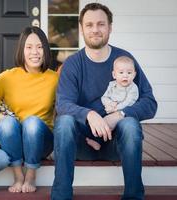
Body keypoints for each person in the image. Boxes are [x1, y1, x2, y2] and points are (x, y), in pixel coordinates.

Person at [51, 3, 157, 200]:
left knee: (131, 124)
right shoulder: (73, 64)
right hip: (81, 144)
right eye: (89, 25)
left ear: (110, 28)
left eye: (101, 24)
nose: (95, 30)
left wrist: (118, 115)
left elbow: (150, 102)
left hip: (116, 144)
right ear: (82, 29)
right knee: (64, 122)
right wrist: (90, 115)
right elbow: (63, 104)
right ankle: (61, 196)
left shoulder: (125, 61)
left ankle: (133, 196)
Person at [0, 26, 59, 193]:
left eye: (39, 47)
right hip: (13, 140)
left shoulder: (55, 79)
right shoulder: (5, 78)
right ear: (21, 50)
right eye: (29, 47)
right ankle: (18, 176)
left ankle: (31, 175)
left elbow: (66, 110)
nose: (35, 52)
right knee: (6, 123)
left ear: (45, 50)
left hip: (41, 142)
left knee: (31, 123)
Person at [86, 55, 139, 150]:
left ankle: (103, 142)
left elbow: (130, 101)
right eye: (121, 72)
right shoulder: (112, 85)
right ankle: (94, 139)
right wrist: (109, 103)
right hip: (109, 109)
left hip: (122, 114)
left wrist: (116, 108)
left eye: (129, 73)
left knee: (121, 126)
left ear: (134, 75)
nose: (125, 75)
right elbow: (104, 97)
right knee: (100, 121)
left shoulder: (133, 88)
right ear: (114, 75)